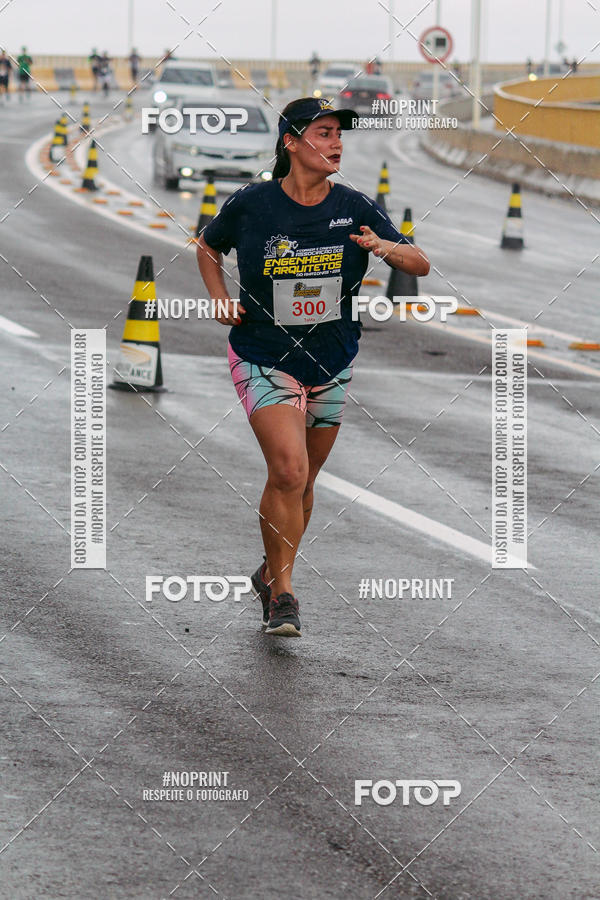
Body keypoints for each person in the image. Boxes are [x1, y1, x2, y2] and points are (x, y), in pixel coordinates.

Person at [196, 97, 430, 637]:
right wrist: (217, 297)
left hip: (332, 358)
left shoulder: (354, 205)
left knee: (303, 487)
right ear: (291, 143)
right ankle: (285, 596)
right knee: (289, 471)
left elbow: (419, 261)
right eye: (323, 134)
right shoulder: (253, 203)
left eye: (338, 135)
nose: (336, 143)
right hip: (261, 352)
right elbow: (208, 247)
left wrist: (384, 246)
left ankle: (268, 572)